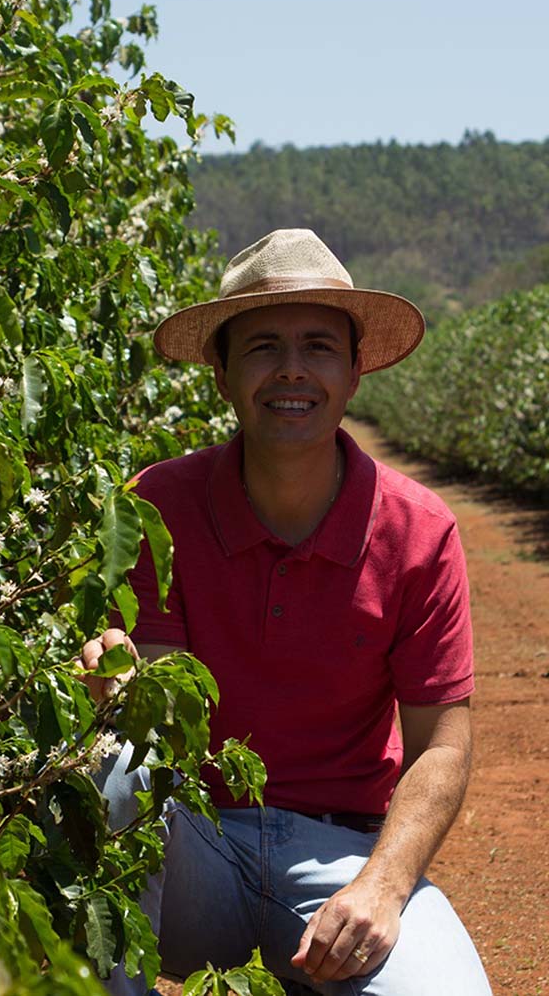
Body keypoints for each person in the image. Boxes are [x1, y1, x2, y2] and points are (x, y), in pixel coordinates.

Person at [82, 229, 493, 996]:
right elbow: (164, 700)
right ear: (223, 376)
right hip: (193, 851)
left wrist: (382, 886)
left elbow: (442, 744)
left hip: (343, 861)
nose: (293, 370)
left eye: (318, 346)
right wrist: (128, 689)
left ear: (355, 370)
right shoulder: (160, 506)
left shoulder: (418, 529)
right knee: (119, 764)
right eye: (264, 346)